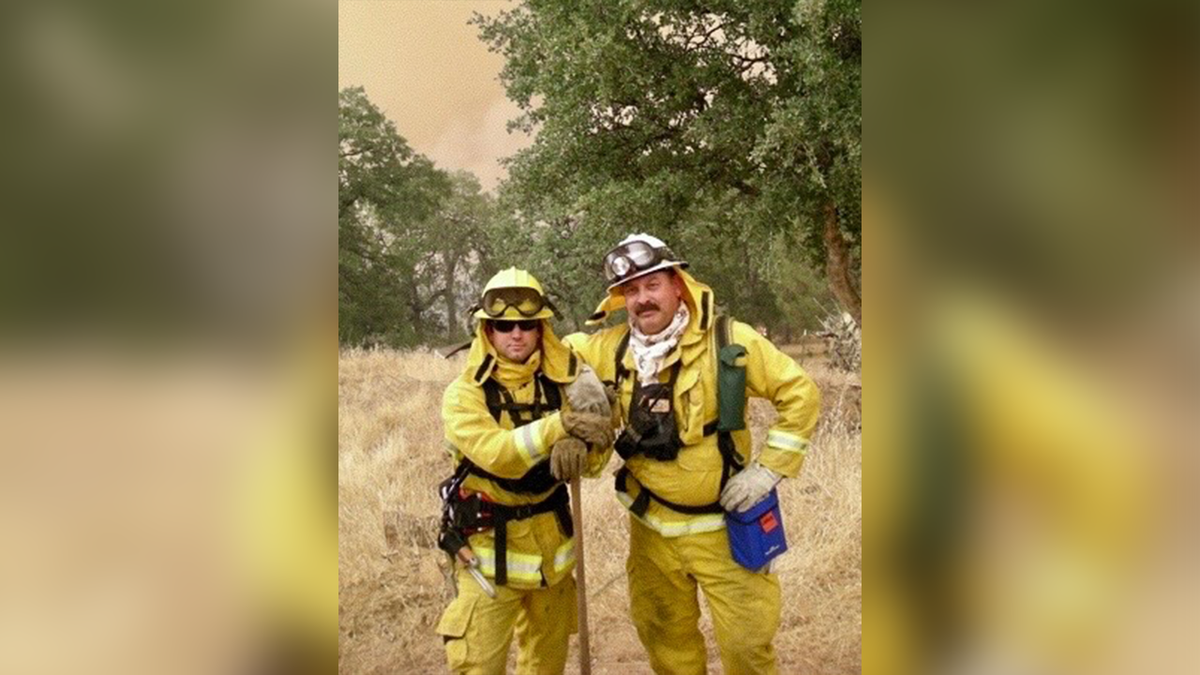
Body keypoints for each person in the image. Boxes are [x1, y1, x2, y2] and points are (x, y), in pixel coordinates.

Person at [564, 234, 821, 675]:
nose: (642, 299)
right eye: (631, 291)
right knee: (666, 643)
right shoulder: (610, 348)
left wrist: (767, 471)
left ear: (678, 284)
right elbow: (551, 353)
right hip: (651, 530)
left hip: (725, 529)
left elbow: (800, 394)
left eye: (652, 285)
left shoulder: (729, 341)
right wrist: (579, 379)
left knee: (746, 647)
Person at [435, 267, 613, 675]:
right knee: (479, 666)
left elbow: (596, 462)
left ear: (541, 329)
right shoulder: (464, 394)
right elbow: (497, 454)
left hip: (553, 555)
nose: (516, 334)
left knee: (546, 667)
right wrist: (559, 426)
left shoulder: (567, 383)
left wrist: (584, 446)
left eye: (526, 325)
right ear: (488, 332)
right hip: (487, 558)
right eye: (504, 325)